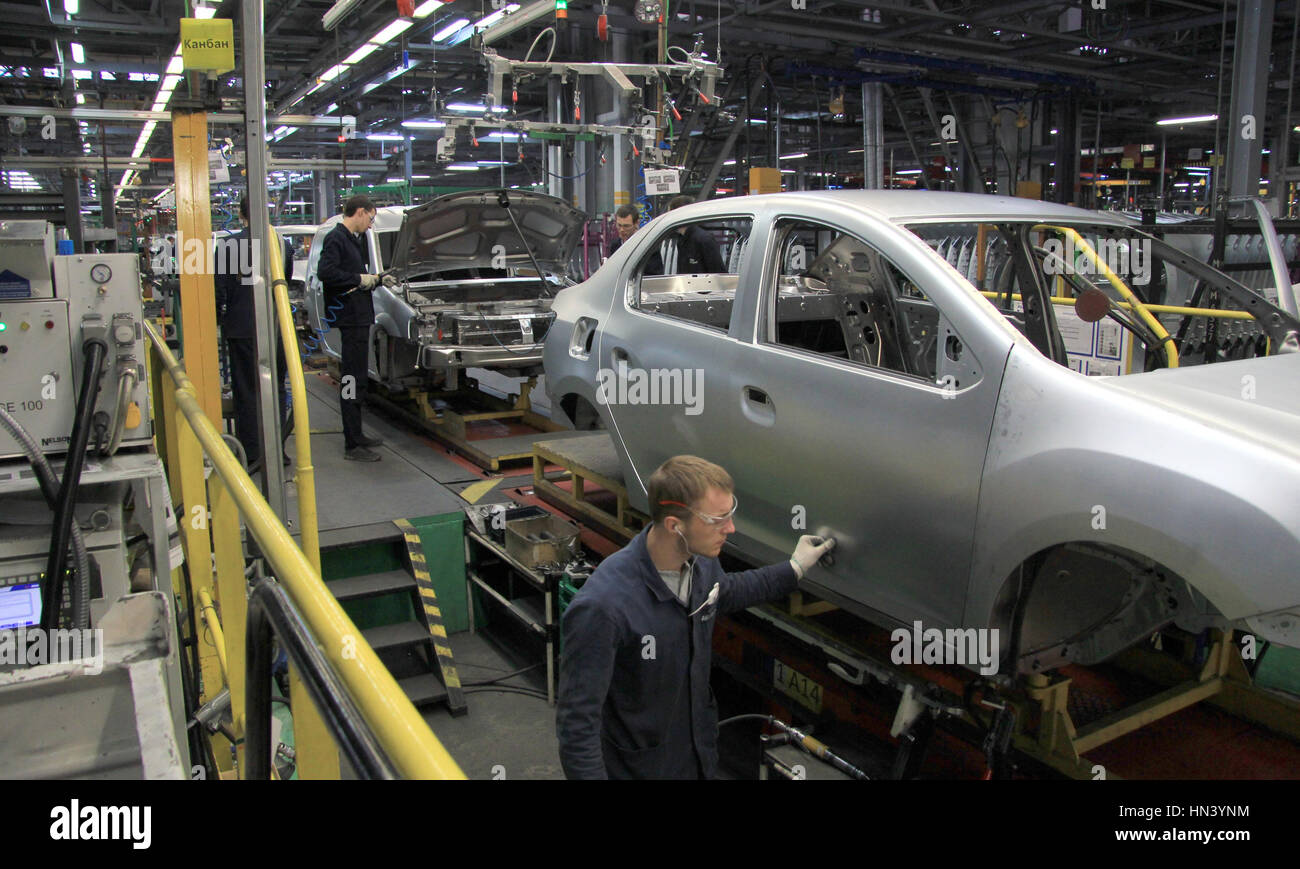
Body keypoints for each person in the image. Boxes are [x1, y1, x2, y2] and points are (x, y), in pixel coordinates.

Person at [555, 455, 835, 779]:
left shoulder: (700, 563)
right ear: (675, 525)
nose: (730, 528)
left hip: (696, 755)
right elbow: (577, 727)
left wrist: (795, 568)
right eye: (718, 519)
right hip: (640, 769)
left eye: (730, 514)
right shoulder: (604, 607)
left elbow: (726, 591)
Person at [214, 194, 292, 472]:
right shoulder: (283, 244)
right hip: (276, 328)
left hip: (243, 329)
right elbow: (285, 284)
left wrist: (221, 319)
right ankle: (277, 449)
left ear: (241, 215)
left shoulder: (228, 246)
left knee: (247, 392)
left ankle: (252, 451)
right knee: (276, 389)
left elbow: (219, 289)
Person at [316, 194, 385, 462]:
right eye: (370, 218)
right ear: (359, 212)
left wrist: (377, 280)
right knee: (350, 380)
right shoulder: (337, 238)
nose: (370, 224)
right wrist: (359, 278)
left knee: (358, 379)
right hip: (349, 318)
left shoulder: (354, 240)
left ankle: (357, 435)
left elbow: (357, 279)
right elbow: (326, 272)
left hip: (358, 318)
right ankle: (352, 444)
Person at [644, 194, 725, 276]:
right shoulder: (682, 239)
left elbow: (719, 274)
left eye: (670, 214)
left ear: (679, 214)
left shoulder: (703, 239)